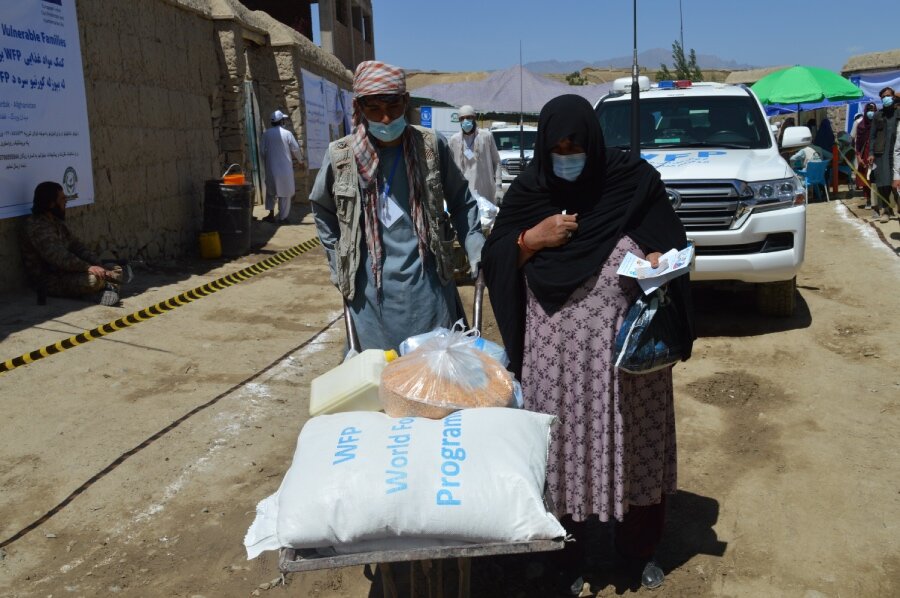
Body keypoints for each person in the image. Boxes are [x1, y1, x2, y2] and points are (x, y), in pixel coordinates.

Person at [481, 95, 694, 591]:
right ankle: (567, 555)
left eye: (575, 146)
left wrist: (660, 258)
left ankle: (638, 550)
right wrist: (532, 239)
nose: (567, 155)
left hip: (626, 356)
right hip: (558, 361)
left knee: (635, 443)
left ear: (593, 142)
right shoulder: (531, 191)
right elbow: (495, 258)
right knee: (563, 452)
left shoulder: (632, 181)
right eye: (556, 148)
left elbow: (669, 238)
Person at [309, 60, 485, 352]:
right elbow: (323, 209)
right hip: (371, 296)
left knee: (437, 377)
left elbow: (461, 201)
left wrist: (475, 246)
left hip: (429, 288)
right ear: (360, 108)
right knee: (380, 380)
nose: (387, 119)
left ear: (406, 102)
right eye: (374, 110)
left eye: (393, 107)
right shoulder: (342, 156)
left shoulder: (430, 146)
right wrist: (338, 262)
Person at [19, 181, 124, 306]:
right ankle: (99, 291)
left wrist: (98, 264)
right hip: (49, 280)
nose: (66, 202)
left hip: (69, 271)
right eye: (62, 199)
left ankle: (102, 289)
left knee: (115, 269)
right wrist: (88, 268)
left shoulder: (56, 222)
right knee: (94, 280)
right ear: (51, 204)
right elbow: (59, 257)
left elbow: (76, 246)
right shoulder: (36, 226)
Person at [448, 105, 501, 207]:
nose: (465, 121)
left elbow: (497, 161)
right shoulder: (454, 140)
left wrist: (498, 187)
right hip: (464, 192)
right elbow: (450, 168)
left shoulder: (486, 136)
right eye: (462, 119)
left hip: (485, 191)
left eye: (468, 117)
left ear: (474, 118)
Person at [261, 109, 304, 224]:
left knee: (270, 192)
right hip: (285, 169)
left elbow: (262, 152)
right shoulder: (287, 134)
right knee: (285, 194)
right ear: (281, 121)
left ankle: (270, 215)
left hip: (271, 168)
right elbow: (295, 149)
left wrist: (268, 161)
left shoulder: (266, 134)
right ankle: (283, 217)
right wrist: (300, 161)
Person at [869, 87, 899, 222]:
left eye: (888, 96)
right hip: (881, 153)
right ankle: (886, 210)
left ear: (893, 97)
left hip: (897, 152)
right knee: (882, 183)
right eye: (883, 97)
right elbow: (873, 136)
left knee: (896, 182)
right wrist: (870, 153)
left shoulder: (898, 113)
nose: (886, 98)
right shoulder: (878, 115)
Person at [851, 103, 876, 207]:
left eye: (873, 109)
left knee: (876, 178)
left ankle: (878, 201)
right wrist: (858, 156)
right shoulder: (861, 125)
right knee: (866, 177)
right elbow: (857, 143)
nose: (871, 112)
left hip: (877, 154)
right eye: (869, 109)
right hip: (864, 155)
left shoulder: (879, 123)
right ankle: (868, 200)